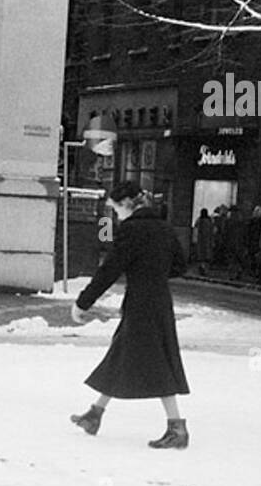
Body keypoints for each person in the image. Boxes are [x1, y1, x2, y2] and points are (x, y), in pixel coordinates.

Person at [70, 182, 191, 448]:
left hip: (141, 303)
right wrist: (154, 272)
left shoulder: (132, 230)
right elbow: (181, 265)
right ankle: (95, 414)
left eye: (115, 209)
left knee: (158, 362)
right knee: (121, 353)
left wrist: (83, 302)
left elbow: (109, 270)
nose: (116, 215)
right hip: (159, 300)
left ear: (126, 204)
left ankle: (177, 428)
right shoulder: (164, 227)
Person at [193, 208, 213, 274]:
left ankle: (202, 267)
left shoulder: (199, 220)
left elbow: (195, 228)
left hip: (201, 240)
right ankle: (206, 269)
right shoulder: (209, 221)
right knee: (207, 256)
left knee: (201, 256)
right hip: (208, 240)